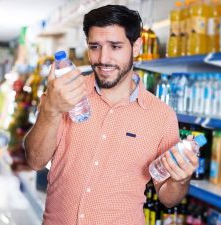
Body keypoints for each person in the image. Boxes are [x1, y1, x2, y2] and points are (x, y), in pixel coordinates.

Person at [24, 5, 199, 225]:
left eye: (115, 47)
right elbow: (34, 160)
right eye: (95, 47)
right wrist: (51, 109)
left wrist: (181, 179)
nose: (103, 58)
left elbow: (167, 197)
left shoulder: (161, 116)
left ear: (136, 47)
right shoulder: (65, 95)